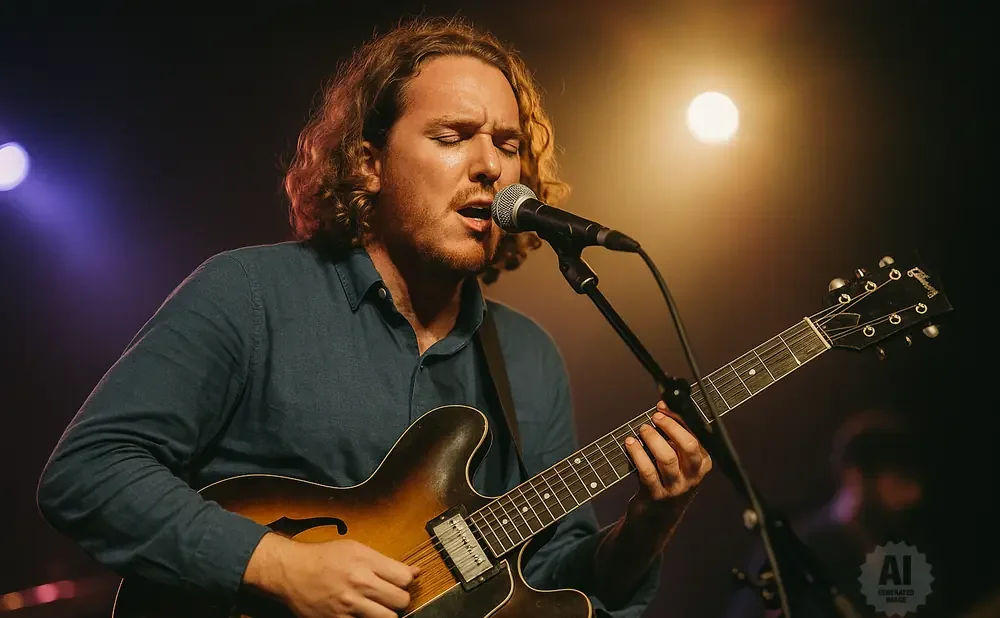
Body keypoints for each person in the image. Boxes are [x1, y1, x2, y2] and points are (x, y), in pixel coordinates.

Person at [36, 17, 712, 618]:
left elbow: (551, 581)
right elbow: (88, 472)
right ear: (368, 164)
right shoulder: (248, 291)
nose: (490, 167)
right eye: (454, 136)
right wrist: (279, 565)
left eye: (508, 146)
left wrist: (648, 524)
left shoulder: (527, 357)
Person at [725, 410, 929, 618]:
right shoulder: (789, 552)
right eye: (900, 482)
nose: (912, 496)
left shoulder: (897, 551)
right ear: (857, 475)